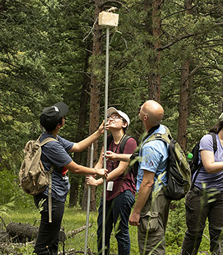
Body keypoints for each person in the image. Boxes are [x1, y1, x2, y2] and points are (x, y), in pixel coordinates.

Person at [34, 101, 107, 255]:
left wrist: (99, 132)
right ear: (59, 124)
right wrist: (96, 171)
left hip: (53, 196)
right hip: (51, 198)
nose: (64, 117)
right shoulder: (51, 145)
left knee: (52, 241)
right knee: (44, 245)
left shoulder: (50, 137)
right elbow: (75, 168)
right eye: (62, 116)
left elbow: (78, 146)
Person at [107, 100, 171, 255]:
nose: (140, 109)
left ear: (145, 118)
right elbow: (141, 158)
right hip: (161, 194)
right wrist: (118, 156)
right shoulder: (161, 131)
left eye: (142, 108)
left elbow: (148, 183)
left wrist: (136, 211)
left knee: (151, 244)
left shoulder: (152, 146)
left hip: (152, 198)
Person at [181, 109, 223, 255]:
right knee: (194, 233)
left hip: (222, 195)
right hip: (199, 194)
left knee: (219, 235)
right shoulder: (208, 140)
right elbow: (209, 167)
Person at [86, 107, 137, 255]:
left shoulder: (129, 142)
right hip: (108, 192)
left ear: (124, 124)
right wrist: (92, 174)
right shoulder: (107, 140)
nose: (111, 119)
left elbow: (121, 170)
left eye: (116, 117)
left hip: (123, 190)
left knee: (120, 231)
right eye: (110, 117)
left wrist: (98, 183)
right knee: (102, 230)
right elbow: (100, 163)